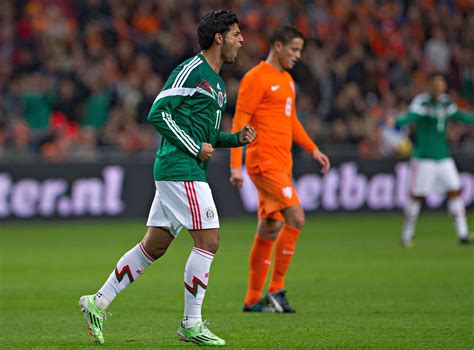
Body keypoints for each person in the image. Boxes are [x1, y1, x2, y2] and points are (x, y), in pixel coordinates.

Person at [79, 10, 255, 347]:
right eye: (236, 33)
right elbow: (157, 113)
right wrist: (193, 146)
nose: (241, 40)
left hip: (185, 168)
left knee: (154, 246)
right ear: (219, 37)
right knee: (209, 240)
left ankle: (97, 303)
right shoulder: (191, 70)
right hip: (179, 168)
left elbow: (206, 135)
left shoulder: (217, 83)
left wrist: (235, 139)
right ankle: (191, 323)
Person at [229, 25, 330, 313]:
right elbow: (240, 122)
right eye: (293, 49)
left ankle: (252, 300)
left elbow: (291, 121)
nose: (298, 55)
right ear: (277, 46)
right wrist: (236, 166)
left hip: (282, 164)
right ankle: (276, 290)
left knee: (271, 226)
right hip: (264, 163)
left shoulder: (287, 81)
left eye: (300, 50)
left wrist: (313, 149)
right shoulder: (256, 78)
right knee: (296, 217)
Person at [395, 72, 474, 247]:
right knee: (417, 197)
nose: (439, 87)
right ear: (429, 85)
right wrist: (397, 121)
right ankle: (407, 235)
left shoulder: (446, 102)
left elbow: (461, 116)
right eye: (436, 83)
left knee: (454, 191)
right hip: (423, 158)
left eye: (441, 83)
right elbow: (410, 117)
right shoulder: (421, 102)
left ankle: (462, 234)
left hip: (443, 157)